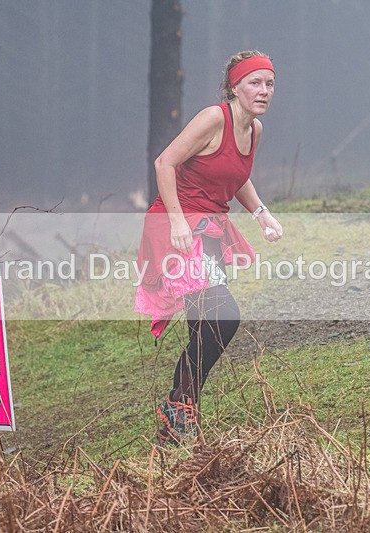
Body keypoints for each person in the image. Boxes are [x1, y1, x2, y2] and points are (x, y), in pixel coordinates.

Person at [135, 50, 283, 446]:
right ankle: (178, 406)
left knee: (207, 323)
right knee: (224, 316)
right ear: (234, 86)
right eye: (255, 82)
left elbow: (234, 176)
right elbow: (164, 163)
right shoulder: (213, 118)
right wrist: (178, 220)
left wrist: (261, 213)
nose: (264, 91)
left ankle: (178, 417)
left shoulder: (255, 131)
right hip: (175, 228)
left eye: (269, 84)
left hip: (210, 230)